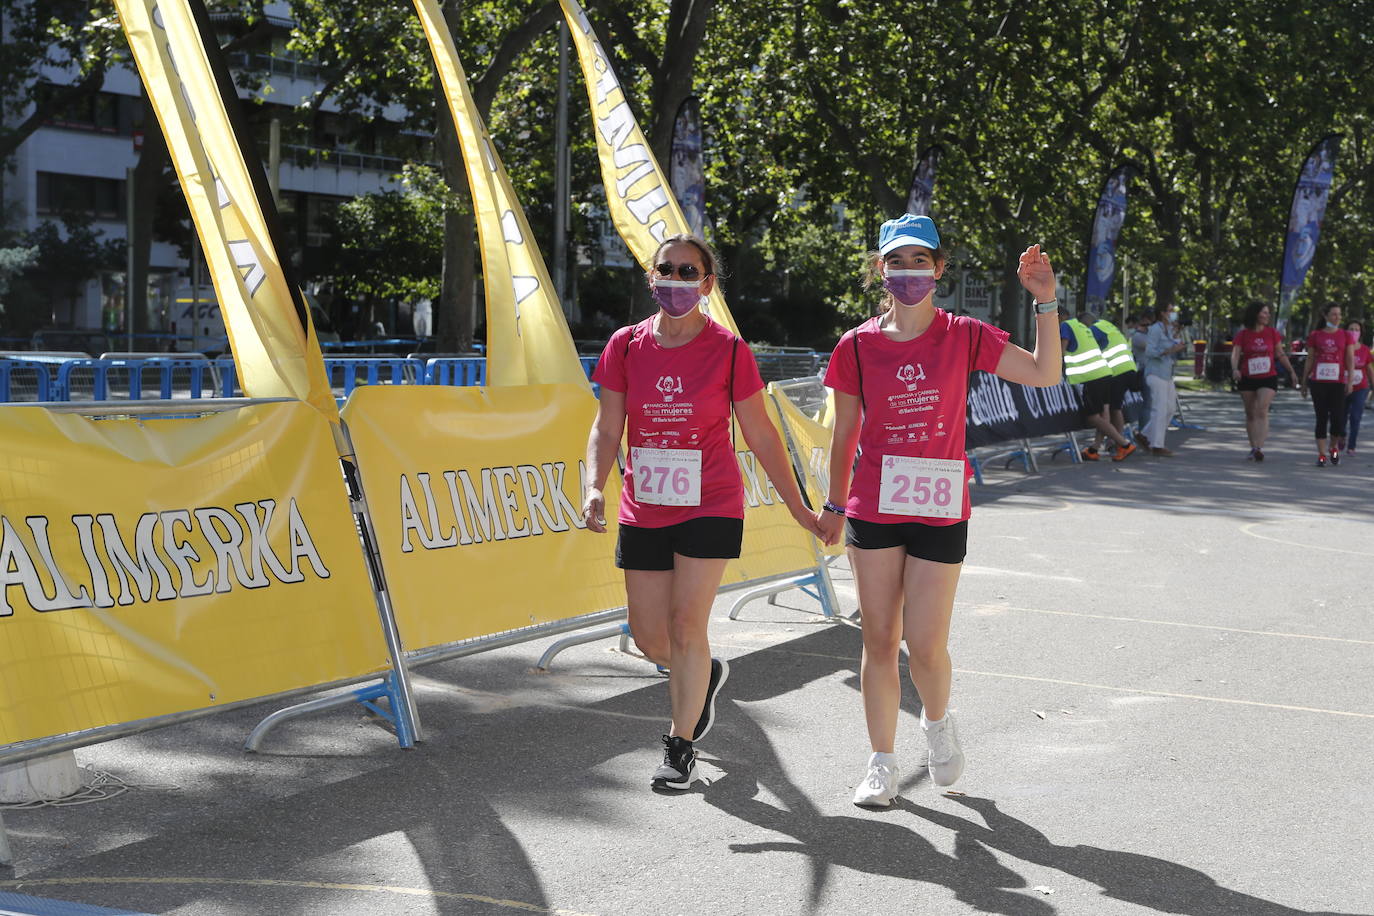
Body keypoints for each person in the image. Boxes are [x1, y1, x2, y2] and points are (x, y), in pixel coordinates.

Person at [815, 214, 1062, 807]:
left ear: (939, 270)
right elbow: (845, 433)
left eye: (920, 261)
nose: (908, 272)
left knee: (925, 644)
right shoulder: (856, 344)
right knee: (879, 639)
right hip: (874, 505)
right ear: (881, 269)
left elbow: (1044, 372)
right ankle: (881, 763)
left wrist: (1047, 303)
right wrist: (832, 504)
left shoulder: (964, 334)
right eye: (897, 262)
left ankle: (936, 719)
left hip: (939, 505)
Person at [582, 234, 820, 791]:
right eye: (666, 269)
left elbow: (760, 434)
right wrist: (595, 484)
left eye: (689, 272)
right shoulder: (625, 345)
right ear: (651, 278)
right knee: (649, 636)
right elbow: (606, 425)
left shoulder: (729, 351)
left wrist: (800, 507)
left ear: (707, 284)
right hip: (644, 506)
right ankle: (705, 675)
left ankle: (680, 743)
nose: (676, 279)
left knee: (687, 624)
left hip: (710, 503)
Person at [1059, 309, 1137, 461]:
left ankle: (1124, 444)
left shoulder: (1068, 326)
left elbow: (1061, 351)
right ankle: (1095, 448)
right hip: (1108, 372)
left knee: (1093, 417)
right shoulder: (1097, 326)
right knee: (1105, 412)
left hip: (1094, 375)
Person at [1229, 301, 1295, 461]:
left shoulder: (1272, 333)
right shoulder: (1243, 334)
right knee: (1250, 413)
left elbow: (1280, 354)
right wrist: (1235, 369)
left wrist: (1291, 371)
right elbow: (1235, 354)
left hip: (1268, 377)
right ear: (1255, 314)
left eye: (1268, 313)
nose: (1267, 316)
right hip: (1248, 377)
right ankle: (1253, 447)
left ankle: (1259, 447)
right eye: (1264, 313)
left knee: (1261, 408)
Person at [1300, 303, 1355, 467]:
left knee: (1338, 419)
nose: (1337, 317)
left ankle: (1333, 448)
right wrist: (1304, 382)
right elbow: (1310, 359)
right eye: (1334, 314)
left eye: (1339, 314)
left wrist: (1350, 381)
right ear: (1326, 316)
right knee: (1321, 418)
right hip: (1319, 382)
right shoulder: (1316, 335)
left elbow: (1350, 360)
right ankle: (1322, 454)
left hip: (1337, 382)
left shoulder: (1345, 335)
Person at [1142, 304, 1186, 457]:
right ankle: (1157, 445)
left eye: (1174, 311)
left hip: (1167, 373)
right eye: (1170, 311)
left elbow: (1174, 348)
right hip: (1155, 373)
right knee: (1159, 409)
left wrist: (1177, 343)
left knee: (1170, 409)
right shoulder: (1155, 329)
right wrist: (1169, 350)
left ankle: (1145, 435)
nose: (1173, 314)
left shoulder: (1169, 330)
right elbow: (1150, 351)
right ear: (1162, 313)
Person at [1340, 319, 1372, 456]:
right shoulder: (1341, 348)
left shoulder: (1365, 350)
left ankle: (1351, 446)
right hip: (1342, 387)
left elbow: (1370, 370)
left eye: (1356, 330)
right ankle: (1341, 435)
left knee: (1355, 417)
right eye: (1351, 329)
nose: (1353, 332)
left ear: (1361, 333)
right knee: (1341, 416)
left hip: (1361, 388)